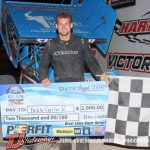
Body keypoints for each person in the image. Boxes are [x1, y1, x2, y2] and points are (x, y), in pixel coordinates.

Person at [39, 12, 110, 86]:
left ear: (71, 25)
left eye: (66, 24)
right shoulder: (50, 44)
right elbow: (43, 66)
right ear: (56, 26)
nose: (63, 27)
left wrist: (101, 76)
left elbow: (91, 61)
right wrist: (44, 78)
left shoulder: (81, 42)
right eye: (61, 24)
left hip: (79, 87)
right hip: (59, 88)